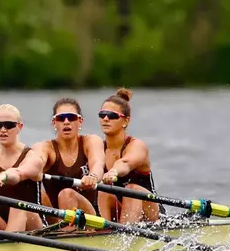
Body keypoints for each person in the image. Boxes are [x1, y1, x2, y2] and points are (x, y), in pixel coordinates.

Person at [97, 88, 164, 223]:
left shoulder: (137, 145)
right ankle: (104, 233)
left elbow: (126, 163)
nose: (105, 118)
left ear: (125, 121)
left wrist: (114, 171)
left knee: (131, 189)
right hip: (119, 209)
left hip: (150, 213)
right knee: (103, 191)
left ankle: (125, 236)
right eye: (102, 114)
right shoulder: (97, 148)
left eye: (112, 115)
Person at [36, 97, 105, 220]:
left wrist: (93, 176)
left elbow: (97, 163)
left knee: (66, 194)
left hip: (89, 217)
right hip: (56, 217)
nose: (66, 122)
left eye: (71, 117)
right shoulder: (45, 147)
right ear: (54, 123)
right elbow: (36, 162)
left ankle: (67, 234)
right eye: (61, 118)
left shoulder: (91, 141)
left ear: (80, 121)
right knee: (36, 194)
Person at [0, 104, 45, 232]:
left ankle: (7, 248)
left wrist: (2, 176)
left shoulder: (32, 157)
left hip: (32, 224)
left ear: (19, 127)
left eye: (9, 125)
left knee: (18, 206)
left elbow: (18, 174)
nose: (3, 130)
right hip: (2, 223)